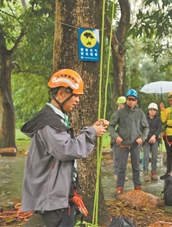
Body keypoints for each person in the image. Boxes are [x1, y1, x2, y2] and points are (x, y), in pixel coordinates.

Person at [20, 69, 108, 227]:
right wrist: (91, 132)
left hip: (56, 197)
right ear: (60, 93)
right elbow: (67, 150)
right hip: (51, 201)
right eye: (75, 95)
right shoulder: (49, 123)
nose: (78, 100)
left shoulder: (55, 120)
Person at [108, 88, 149, 195]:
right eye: (129, 99)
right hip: (123, 144)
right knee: (122, 167)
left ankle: (138, 186)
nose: (131, 101)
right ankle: (119, 187)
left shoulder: (140, 113)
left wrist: (142, 138)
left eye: (133, 99)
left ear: (136, 101)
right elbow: (111, 126)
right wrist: (116, 136)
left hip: (135, 144)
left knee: (136, 166)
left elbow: (146, 127)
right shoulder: (120, 113)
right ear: (126, 100)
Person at [143, 103, 162, 182]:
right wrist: (148, 137)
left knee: (154, 157)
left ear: (156, 111)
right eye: (151, 110)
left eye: (154, 110)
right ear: (149, 110)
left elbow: (159, 129)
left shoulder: (158, 119)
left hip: (155, 139)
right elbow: (144, 128)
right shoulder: (145, 119)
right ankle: (146, 172)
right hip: (146, 139)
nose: (152, 112)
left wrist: (154, 136)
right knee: (146, 156)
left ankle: (153, 172)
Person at [112, 96, 126, 181]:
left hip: (124, 139)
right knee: (117, 157)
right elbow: (112, 127)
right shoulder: (116, 115)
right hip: (117, 138)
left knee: (123, 158)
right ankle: (116, 173)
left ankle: (122, 174)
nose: (122, 106)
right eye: (121, 104)